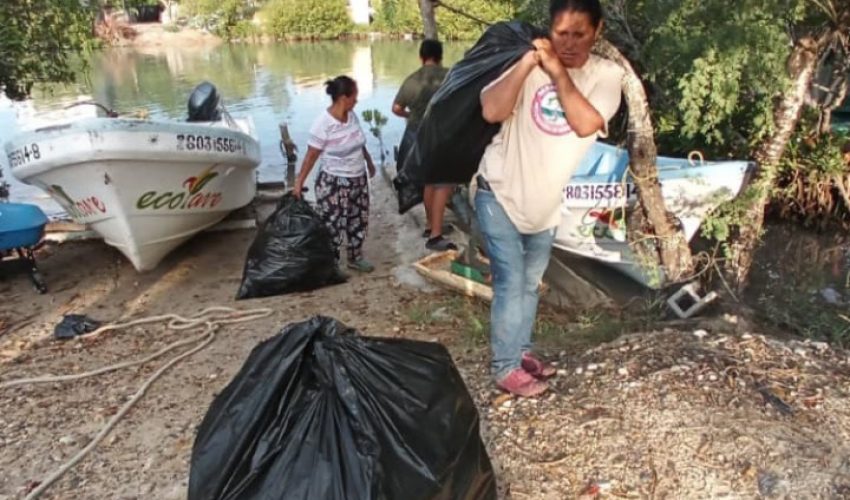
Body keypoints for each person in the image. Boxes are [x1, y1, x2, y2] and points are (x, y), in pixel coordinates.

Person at [475, 0, 624, 396]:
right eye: (561, 34)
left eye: (579, 34)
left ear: (598, 31)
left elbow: (586, 123)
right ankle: (505, 367)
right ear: (548, 30)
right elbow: (491, 110)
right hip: (499, 191)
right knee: (510, 282)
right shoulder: (527, 65)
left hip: (545, 204)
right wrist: (528, 62)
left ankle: (521, 351)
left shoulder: (607, 75)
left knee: (530, 284)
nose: (569, 43)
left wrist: (556, 71)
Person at [294, 75, 377, 273]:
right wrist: (299, 183)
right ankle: (331, 264)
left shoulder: (352, 116)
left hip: (358, 179)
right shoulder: (323, 124)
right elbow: (310, 157)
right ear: (343, 98)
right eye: (354, 96)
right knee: (332, 224)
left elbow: (359, 142)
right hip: (334, 183)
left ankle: (355, 257)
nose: (356, 100)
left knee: (358, 220)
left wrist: (369, 162)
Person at [392, 39, 457, 251]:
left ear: (421, 56)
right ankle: (436, 235)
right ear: (440, 56)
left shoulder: (412, 80)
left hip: (419, 135)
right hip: (443, 134)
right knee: (444, 182)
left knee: (429, 182)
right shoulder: (451, 75)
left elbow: (396, 108)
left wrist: (410, 115)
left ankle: (430, 226)